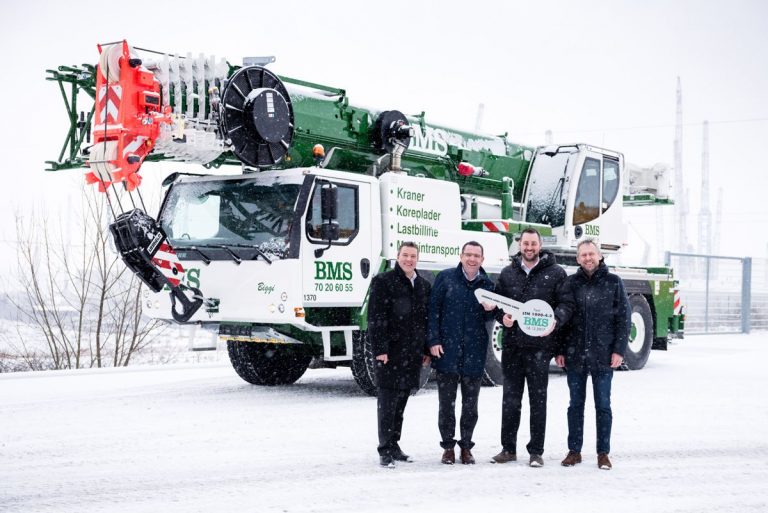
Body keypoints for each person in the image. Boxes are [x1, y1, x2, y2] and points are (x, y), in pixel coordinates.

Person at [490, 228, 573, 467]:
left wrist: (555, 319)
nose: (529, 247)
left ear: (540, 245)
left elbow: (566, 304)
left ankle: (536, 451)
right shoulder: (508, 274)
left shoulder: (556, 273)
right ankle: (508, 449)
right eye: (525, 243)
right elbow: (497, 303)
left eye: (533, 243)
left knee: (538, 400)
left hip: (540, 347)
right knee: (510, 400)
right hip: (513, 347)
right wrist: (501, 318)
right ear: (519, 245)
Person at [555, 239, 630, 470]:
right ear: (577, 259)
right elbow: (562, 320)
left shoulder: (613, 282)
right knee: (575, 405)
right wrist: (559, 350)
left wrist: (619, 350)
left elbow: (623, 319)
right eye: (583, 255)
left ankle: (603, 453)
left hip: (603, 354)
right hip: (575, 355)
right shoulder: (570, 283)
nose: (587, 258)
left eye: (591, 254)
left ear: (599, 256)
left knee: (603, 406)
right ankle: (574, 451)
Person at [428, 241, 495, 465]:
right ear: (461, 255)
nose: (472, 259)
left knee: (470, 404)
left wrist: (490, 310)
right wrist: (434, 340)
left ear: (482, 260)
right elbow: (433, 311)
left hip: (474, 352)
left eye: (477, 255)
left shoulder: (488, 285)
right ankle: (448, 446)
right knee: (446, 403)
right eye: (468, 254)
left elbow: (489, 320)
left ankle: (466, 446)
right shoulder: (445, 278)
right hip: (447, 350)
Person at [368, 242, 431, 468]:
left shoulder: (423, 285)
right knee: (387, 402)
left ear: (417, 259)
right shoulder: (384, 282)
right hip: (391, 353)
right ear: (397, 256)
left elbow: (425, 321)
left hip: (412, 354)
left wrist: (425, 350)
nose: (409, 260)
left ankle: (395, 445)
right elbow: (375, 318)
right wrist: (381, 350)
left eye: (413, 256)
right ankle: (384, 449)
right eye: (405, 255)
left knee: (401, 402)